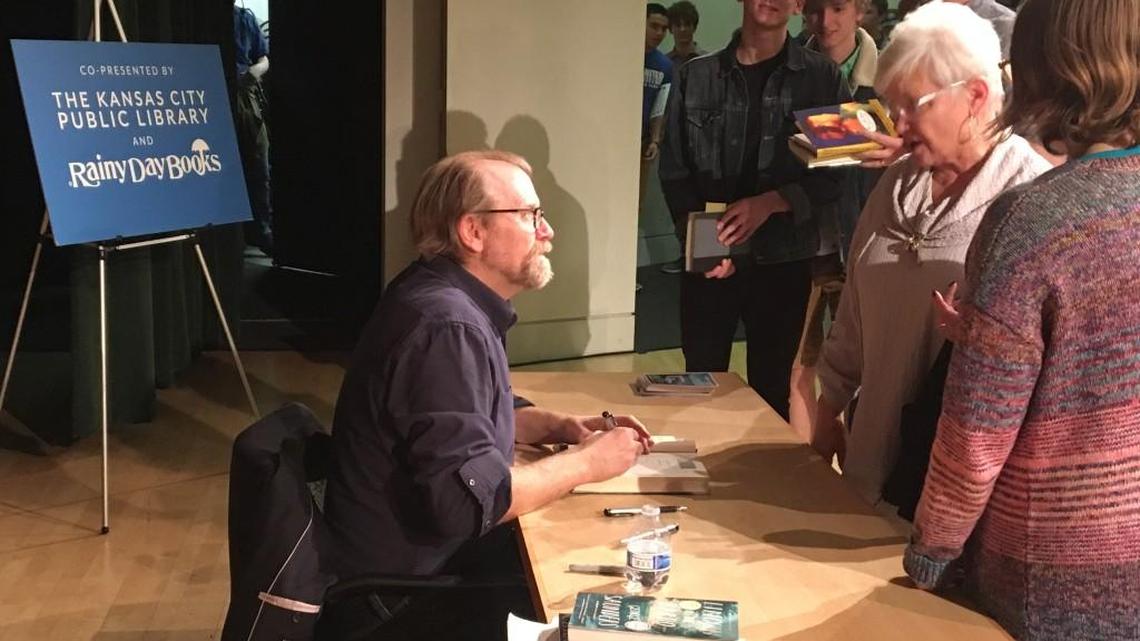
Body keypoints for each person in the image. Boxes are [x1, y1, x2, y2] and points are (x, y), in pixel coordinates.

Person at [321, 151, 652, 640]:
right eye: (529, 215)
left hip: (413, 572)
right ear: (472, 232)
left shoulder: (438, 296)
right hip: (403, 601)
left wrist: (562, 427)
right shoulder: (446, 326)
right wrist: (587, 464)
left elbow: (461, 416)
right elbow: (469, 504)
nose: (547, 232)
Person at [904, 1, 1140, 638]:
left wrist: (930, 555)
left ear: (1039, 68)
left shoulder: (1030, 222)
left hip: (1048, 581)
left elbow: (975, 439)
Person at [810, 2, 1051, 506]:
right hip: (867, 471)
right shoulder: (897, 183)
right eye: (891, 105)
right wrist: (825, 410)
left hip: (955, 499)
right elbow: (854, 313)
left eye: (913, 105)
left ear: (975, 96)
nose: (896, 126)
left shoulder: (1028, 197)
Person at [659, 0, 850, 420]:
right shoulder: (696, 75)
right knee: (699, 388)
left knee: (772, 392)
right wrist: (708, 247)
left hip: (784, 262)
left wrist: (772, 203)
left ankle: (760, 484)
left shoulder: (822, 78)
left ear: (800, 5)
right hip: (711, 263)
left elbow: (835, 174)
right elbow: (675, 171)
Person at [788, 0, 881, 438]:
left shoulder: (889, 80)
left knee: (862, 371)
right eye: (815, 9)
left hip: (865, 242)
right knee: (798, 365)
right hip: (802, 241)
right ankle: (804, 473)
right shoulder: (786, 72)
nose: (826, 22)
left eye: (839, 8)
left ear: (859, 10)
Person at [233, 5, 273, 254]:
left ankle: (262, 228)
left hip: (245, 93)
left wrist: (254, 72)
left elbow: (263, 57)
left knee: (258, 162)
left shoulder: (244, 17)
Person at [666, 1, 707, 67]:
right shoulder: (664, 63)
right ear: (670, 29)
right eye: (678, 25)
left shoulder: (708, 61)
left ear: (694, 28)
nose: (683, 29)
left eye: (687, 24)